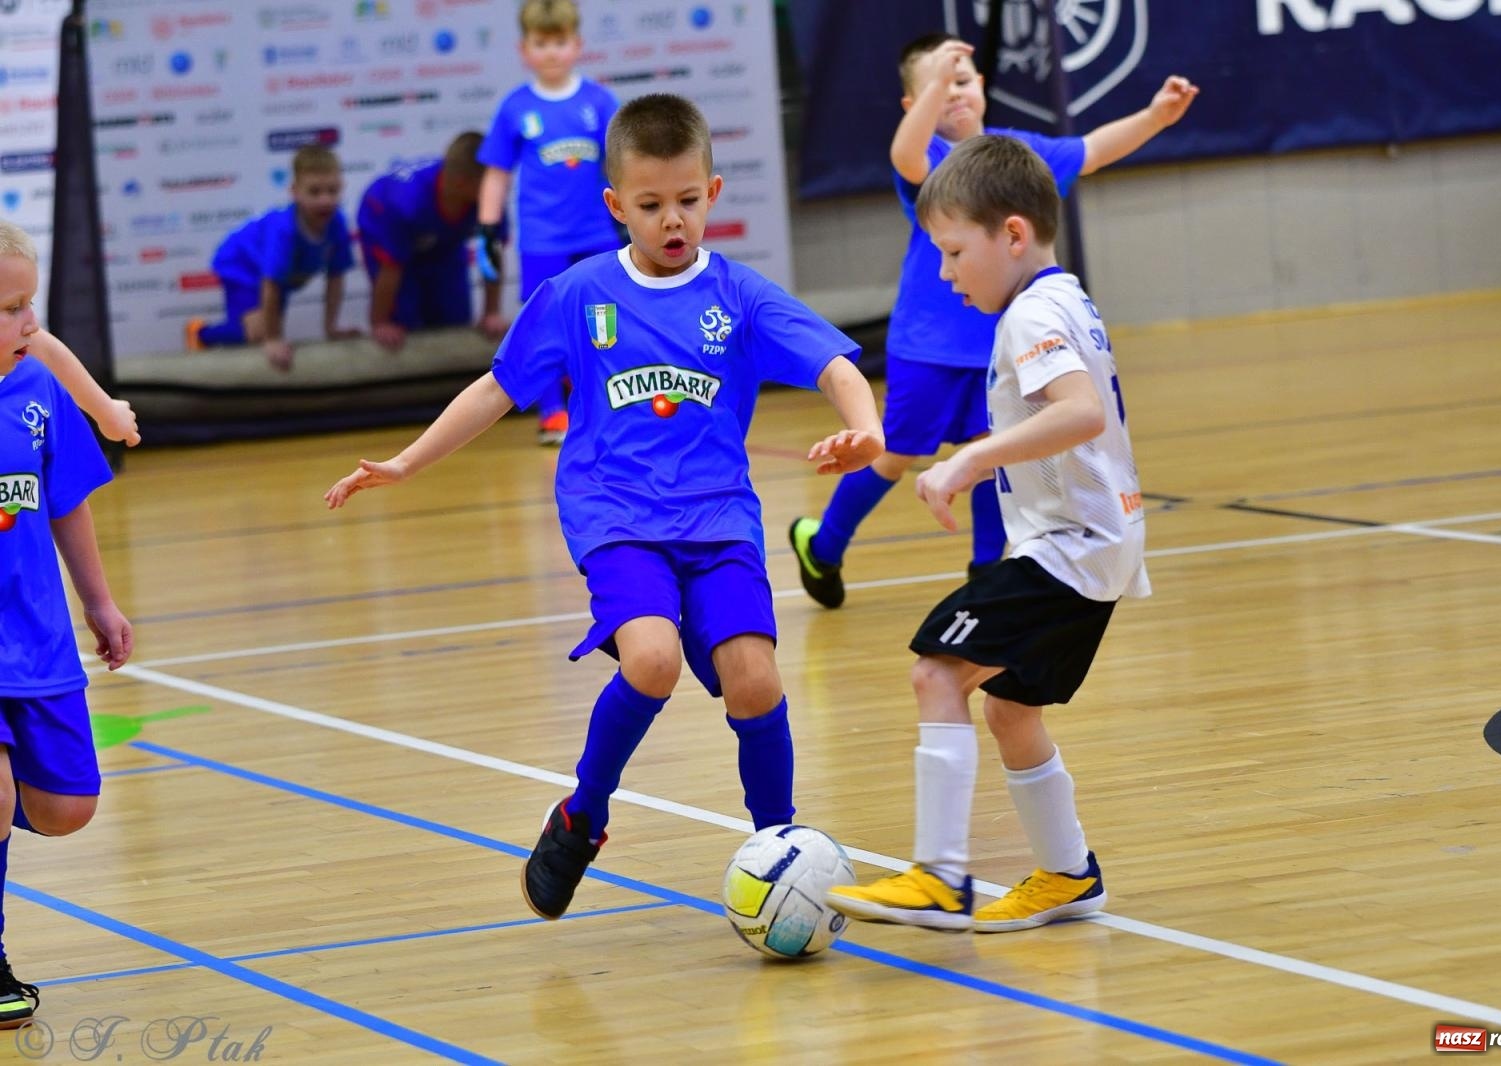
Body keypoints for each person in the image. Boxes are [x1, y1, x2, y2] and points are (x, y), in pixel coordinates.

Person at [326, 94, 884, 921]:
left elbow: (834, 365)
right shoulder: (578, 294)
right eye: (652, 205)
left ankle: (781, 846)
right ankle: (582, 816)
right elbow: (497, 388)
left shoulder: (738, 294)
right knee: (651, 658)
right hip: (616, 518)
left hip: (720, 519)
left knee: (755, 678)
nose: (673, 221)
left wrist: (864, 427)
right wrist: (409, 462)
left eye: (688, 202)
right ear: (616, 206)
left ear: (713, 194)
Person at [826, 135, 1150, 932]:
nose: (944, 273)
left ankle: (939, 877)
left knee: (937, 673)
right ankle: (1068, 875)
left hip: (1070, 548)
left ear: (1011, 235)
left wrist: (968, 461)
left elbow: (1080, 412)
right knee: (1009, 705)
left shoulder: (1032, 313)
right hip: (1095, 545)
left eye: (954, 251)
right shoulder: (1064, 296)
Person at [787, 34, 1195, 608]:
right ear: (915, 104)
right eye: (937, 84)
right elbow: (903, 153)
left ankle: (986, 570)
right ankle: (824, 547)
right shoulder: (931, 162)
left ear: (982, 86)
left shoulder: (1012, 160)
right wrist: (934, 86)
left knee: (993, 447)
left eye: (963, 78)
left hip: (996, 348)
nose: (953, 92)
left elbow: (1094, 148)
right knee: (895, 453)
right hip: (926, 348)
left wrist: (1157, 115)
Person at [0, 220, 134, 1026]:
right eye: (11, 309)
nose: (29, 325)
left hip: (37, 639)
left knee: (64, 807)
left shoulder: (38, 392)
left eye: (29, 305)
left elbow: (67, 502)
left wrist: (100, 602)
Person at [474, 0, 622, 444]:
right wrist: (487, 227)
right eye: (542, 43)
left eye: (560, 42)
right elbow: (497, 174)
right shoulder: (515, 108)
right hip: (542, 238)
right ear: (525, 49)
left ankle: (600, 406)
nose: (552, 52)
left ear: (576, 45)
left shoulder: (599, 101)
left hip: (596, 231)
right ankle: (552, 411)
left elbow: (622, 165)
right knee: (543, 322)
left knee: (604, 320)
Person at [185, 145, 360, 371]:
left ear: (341, 188)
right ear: (295, 191)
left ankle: (262, 333)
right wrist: (272, 338)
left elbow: (335, 278)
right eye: (315, 192)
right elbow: (271, 283)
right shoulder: (284, 230)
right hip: (242, 264)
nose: (325, 200)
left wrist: (331, 328)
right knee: (258, 333)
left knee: (269, 325)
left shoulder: (337, 224)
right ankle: (200, 332)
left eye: (333, 191)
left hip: (282, 278)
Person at [357, 132, 511, 353]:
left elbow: (491, 255)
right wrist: (380, 321)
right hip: (385, 224)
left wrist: (491, 312)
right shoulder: (406, 203)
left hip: (442, 242)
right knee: (404, 322)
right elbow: (390, 268)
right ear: (461, 183)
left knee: (454, 318)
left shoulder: (488, 199)